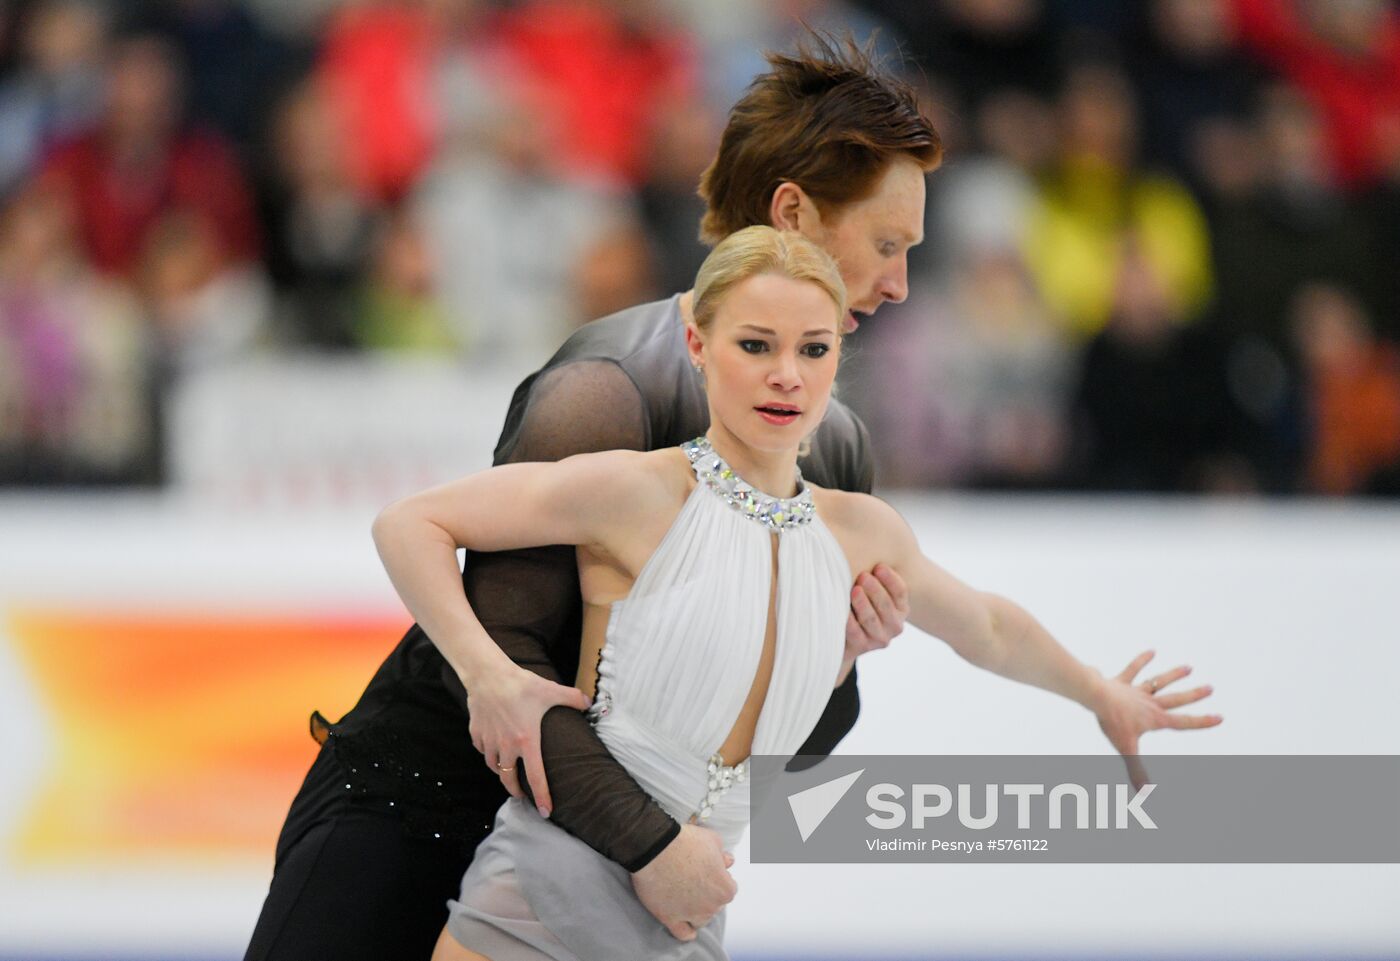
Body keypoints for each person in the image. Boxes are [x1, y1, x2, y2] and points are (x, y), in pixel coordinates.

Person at [243, 34, 938, 961]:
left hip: (586, 856)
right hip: (425, 810)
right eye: (887, 244)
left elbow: (760, 757)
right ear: (792, 212)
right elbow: (500, 667)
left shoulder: (831, 446)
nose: (898, 283)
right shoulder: (609, 387)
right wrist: (649, 844)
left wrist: (839, 662)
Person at [364, 225, 1221, 960]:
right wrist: (488, 672)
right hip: (551, 886)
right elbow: (409, 524)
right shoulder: (635, 490)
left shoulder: (860, 532)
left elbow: (989, 627)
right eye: (755, 344)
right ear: (699, 346)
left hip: (693, 908)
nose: (787, 375)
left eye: (813, 348)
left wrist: (1098, 693)